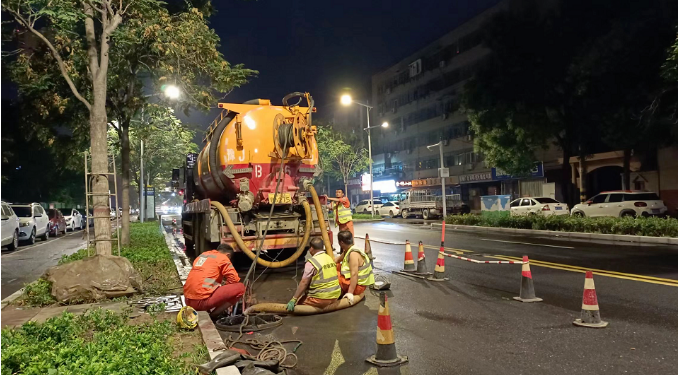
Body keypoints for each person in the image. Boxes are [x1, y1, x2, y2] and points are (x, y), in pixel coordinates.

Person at [184, 244, 246, 318]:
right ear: (228, 255)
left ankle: (209, 309)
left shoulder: (203, 255)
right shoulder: (223, 258)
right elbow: (234, 279)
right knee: (240, 287)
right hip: (200, 302)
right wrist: (226, 294)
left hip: (188, 300)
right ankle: (213, 315)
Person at [286, 238, 341, 311]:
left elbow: (304, 283)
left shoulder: (311, 263)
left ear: (311, 248)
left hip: (320, 299)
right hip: (335, 296)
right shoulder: (330, 258)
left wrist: (294, 299)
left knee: (298, 305)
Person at [334, 230, 374, 305]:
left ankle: (337, 293)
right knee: (335, 266)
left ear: (341, 243)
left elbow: (354, 274)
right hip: (357, 283)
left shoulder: (353, 254)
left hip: (358, 286)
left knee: (333, 275)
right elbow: (336, 260)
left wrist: (350, 293)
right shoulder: (348, 250)